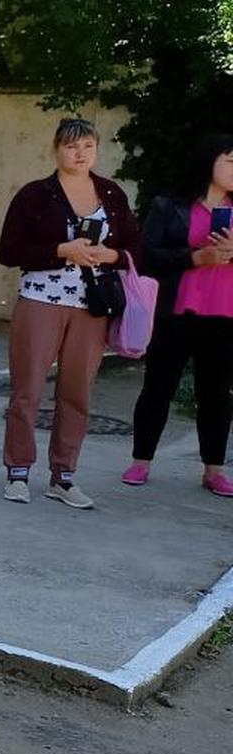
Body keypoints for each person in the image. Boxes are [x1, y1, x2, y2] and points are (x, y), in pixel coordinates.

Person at [0, 118, 144, 509]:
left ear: (97, 149)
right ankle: (18, 472)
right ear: (56, 149)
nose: (80, 154)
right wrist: (61, 250)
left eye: (88, 146)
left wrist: (111, 255)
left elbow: (135, 248)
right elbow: (9, 251)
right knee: (27, 389)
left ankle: (63, 476)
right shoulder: (35, 194)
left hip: (91, 305)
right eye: (71, 146)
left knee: (77, 393)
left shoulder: (111, 193)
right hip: (41, 299)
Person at [125, 134, 233, 497]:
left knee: (217, 394)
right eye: (231, 161)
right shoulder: (169, 206)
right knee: (158, 387)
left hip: (225, 314)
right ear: (209, 161)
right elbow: (147, 255)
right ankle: (141, 461)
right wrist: (194, 257)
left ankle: (214, 469)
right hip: (175, 311)